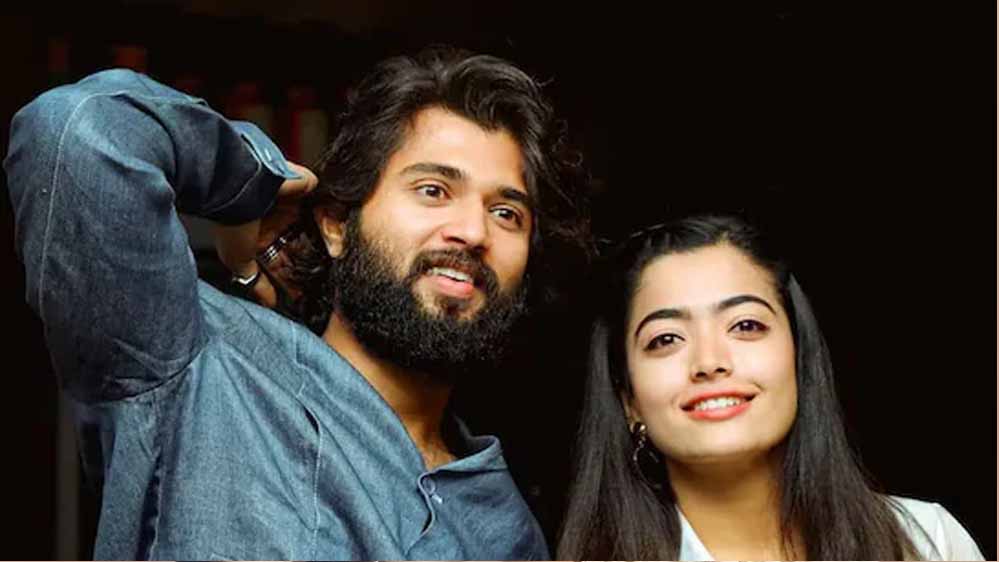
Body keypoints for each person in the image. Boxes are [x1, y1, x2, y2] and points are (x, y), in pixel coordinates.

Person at [5, 46, 591, 560]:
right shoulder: (200, 363)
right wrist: (249, 183)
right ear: (335, 224)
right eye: (433, 190)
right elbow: (77, 130)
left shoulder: (510, 532)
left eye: (506, 212)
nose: (473, 231)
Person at [556, 214, 983, 560]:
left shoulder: (928, 541)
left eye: (745, 326)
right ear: (629, 399)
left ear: (799, 358)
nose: (709, 362)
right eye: (666, 339)